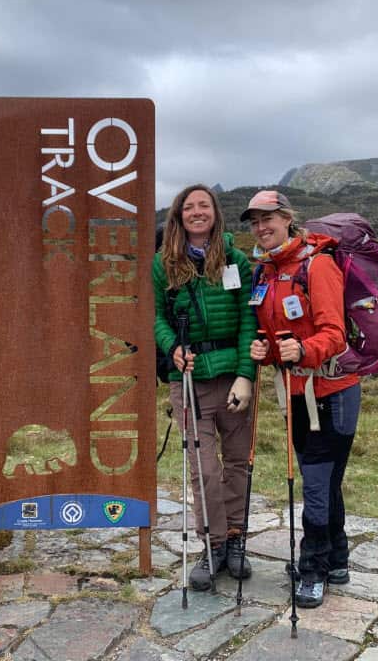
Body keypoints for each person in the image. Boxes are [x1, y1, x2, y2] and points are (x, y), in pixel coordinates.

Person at [243, 190, 360, 609]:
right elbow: (276, 336)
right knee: (326, 482)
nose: (261, 227)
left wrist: (303, 352)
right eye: (254, 221)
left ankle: (313, 569)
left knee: (315, 484)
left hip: (333, 393)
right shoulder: (266, 272)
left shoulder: (319, 265)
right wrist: (268, 352)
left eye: (268, 218)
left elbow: (334, 333)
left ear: (287, 218)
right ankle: (338, 559)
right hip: (294, 394)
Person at [154, 184, 258, 591]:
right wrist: (173, 348)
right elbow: (156, 316)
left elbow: (249, 321)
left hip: (233, 377)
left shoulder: (235, 261)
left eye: (205, 205)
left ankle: (236, 541)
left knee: (236, 463)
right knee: (204, 470)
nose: (197, 212)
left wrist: (246, 375)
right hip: (190, 382)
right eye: (189, 207)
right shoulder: (162, 264)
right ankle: (212, 544)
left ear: (215, 213)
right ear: (178, 216)